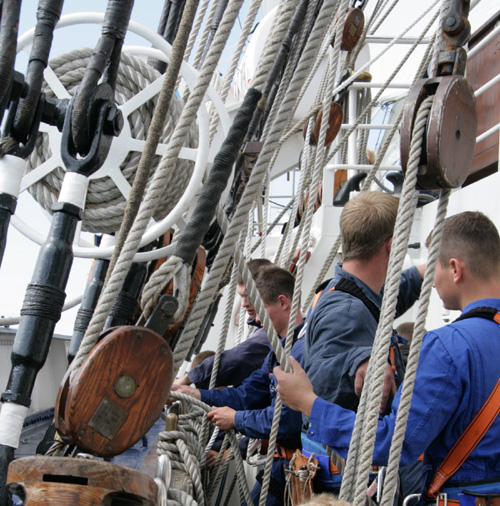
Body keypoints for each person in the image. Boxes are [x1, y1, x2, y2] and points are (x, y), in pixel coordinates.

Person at [275, 211, 500, 504]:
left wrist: (308, 402)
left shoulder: (448, 347)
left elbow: (393, 443)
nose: (430, 279)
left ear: (455, 269)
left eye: (435, 267)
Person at [300, 191, 424, 493]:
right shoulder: (347, 310)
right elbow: (319, 377)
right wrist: (358, 362)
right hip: (348, 480)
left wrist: (426, 271)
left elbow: (384, 300)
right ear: (392, 246)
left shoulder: (346, 291)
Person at [172, 265, 305, 506]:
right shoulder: (276, 353)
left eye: (259, 309)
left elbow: (286, 421)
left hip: (299, 471)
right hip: (280, 467)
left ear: (284, 302)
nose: (253, 318)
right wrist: (191, 393)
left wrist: (237, 420)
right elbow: (245, 396)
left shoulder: (302, 352)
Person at [175, 258, 272, 389]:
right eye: (242, 296)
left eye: (249, 296)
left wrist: (189, 378)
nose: (244, 304)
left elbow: (242, 357)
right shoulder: (260, 326)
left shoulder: (272, 334)